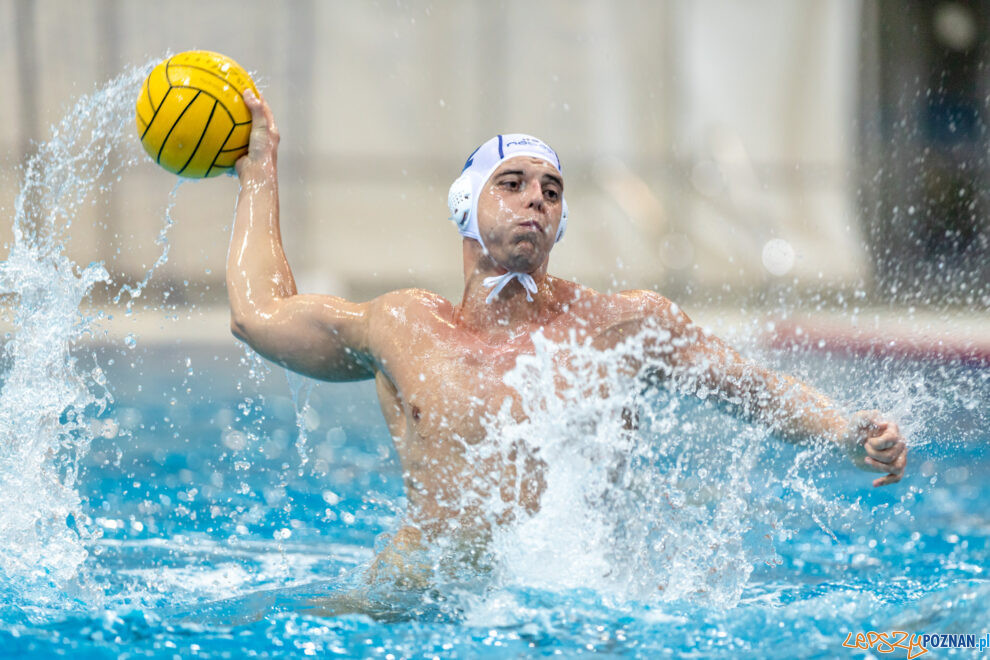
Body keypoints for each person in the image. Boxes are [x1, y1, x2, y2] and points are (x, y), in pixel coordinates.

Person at [226, 90, 907, 587]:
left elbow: (756, 393)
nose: (535, 201)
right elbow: (259, 315)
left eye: (551, 191)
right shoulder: (406, 327)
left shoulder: (619, 326)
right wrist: (259, 170)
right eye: (513, 184)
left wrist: (844, 429)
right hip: (418, 595)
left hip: (560, 604)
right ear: (465, 206)